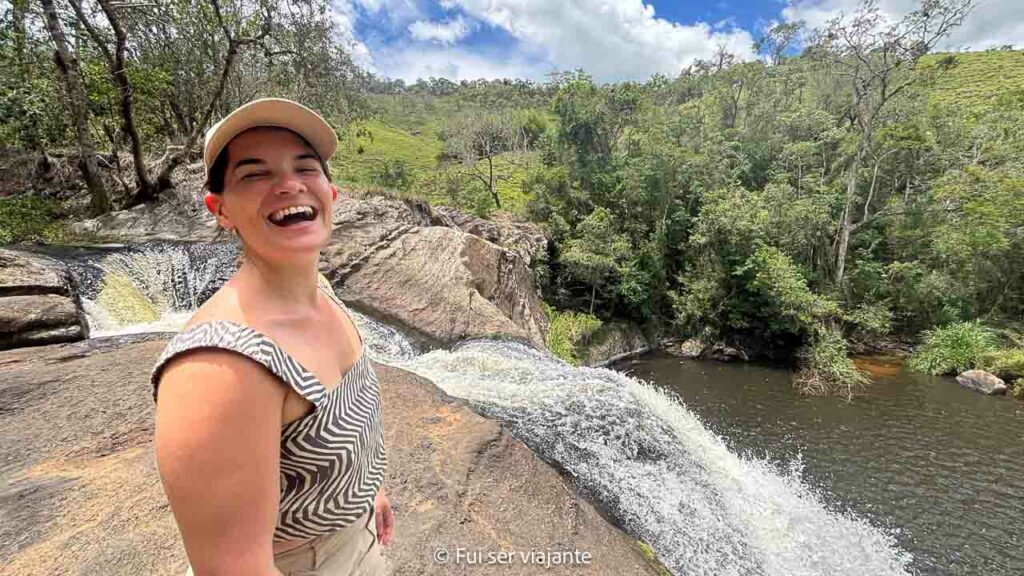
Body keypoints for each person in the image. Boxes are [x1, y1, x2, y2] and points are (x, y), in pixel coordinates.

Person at [150, 98, 392, 576]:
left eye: (305, 167)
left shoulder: (320, 291)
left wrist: (366, 491)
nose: (289, 184)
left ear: (331, 193)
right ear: (220, 210)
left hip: (358, 540)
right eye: (254, 175)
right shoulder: (219, 366)